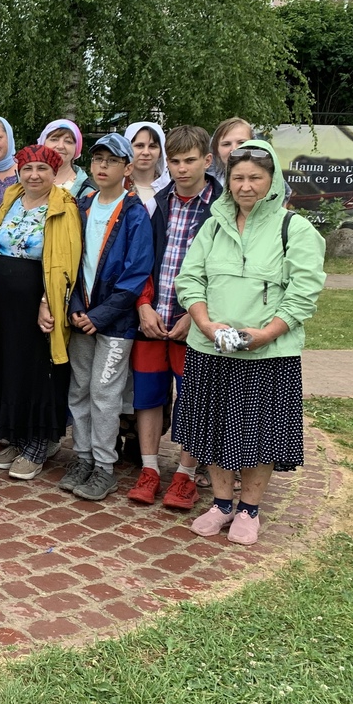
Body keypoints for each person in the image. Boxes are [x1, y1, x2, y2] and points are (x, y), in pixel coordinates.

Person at [173, 140, 325, 545]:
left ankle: (250, 509)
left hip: (268, 353)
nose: (245, 186)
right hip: (212, 348)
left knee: (261, 434)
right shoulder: (213, 224)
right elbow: (190, 279)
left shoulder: (295, 229)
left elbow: (304, 291)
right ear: (228, 181)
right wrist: (205, 324)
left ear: (272, 181)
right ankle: (222, 503)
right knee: (214, 428)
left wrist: (268, 333)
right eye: (238, 177)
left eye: (255, 177)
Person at [0, 145, 81, 479]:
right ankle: (17, 436)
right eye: (28, 168)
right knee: (10, 366)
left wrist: (49, 301)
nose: (34, 175)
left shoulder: (64, 207)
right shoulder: (11, 199)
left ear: (54, 172)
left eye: (42, 169)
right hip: (4, 303)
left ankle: (39, 441)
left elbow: (67, 259)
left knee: (38, 370)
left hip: (38, 300)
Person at [129, 125, 222, 509]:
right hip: (154, 318)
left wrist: (195, 316)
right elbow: (144, 261)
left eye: (189, 161)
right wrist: (143, 304)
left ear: (207, 160)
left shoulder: (221, 208)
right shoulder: (158, 203)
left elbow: (221, 273)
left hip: (194, 325)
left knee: (194, 398)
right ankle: (150, 468)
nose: (181, 169)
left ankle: (185, 474)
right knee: (148, 398)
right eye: (175, 161)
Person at [59, 134, 154, 501]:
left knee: (104, 391)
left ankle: (103, 466)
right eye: (97, 159)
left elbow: (135, 275)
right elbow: (67, 260)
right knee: (79, 388)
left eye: (112, 161)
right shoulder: (82, 206)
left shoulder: (133, 213)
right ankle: (82, 457)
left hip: (114, 322)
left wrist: (99, 315)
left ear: (127, 169)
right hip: (80, 314)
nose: (102, 167)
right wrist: (73, 309)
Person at [37, 119, 94, 199]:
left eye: (68, 141)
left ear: (76, 149)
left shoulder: (86, 193)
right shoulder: (26, 180)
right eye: (54, 139)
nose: (60, 146)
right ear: (43, 144)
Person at [124, 121, 171, 214]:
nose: (146, 152)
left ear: (161, 152)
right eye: (139, 146)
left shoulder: (169, 191)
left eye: (152, 146)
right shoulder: (117, 187)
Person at [208, 117, 254, 188]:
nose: (234, 149)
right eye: (226, 144)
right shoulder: (206, 187)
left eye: (241, 142)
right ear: (216, 151)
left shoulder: (268, 182)